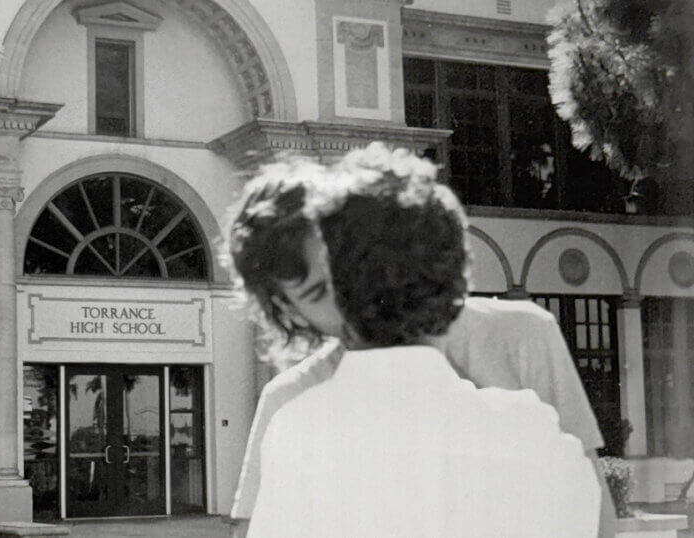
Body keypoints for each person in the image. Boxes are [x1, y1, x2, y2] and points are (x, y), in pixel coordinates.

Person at [224, 143, 613, 537]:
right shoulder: (289, 405)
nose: (348, 296)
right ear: (287, 309)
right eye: (318, 290)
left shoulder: (524, 336)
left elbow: (601, 524)